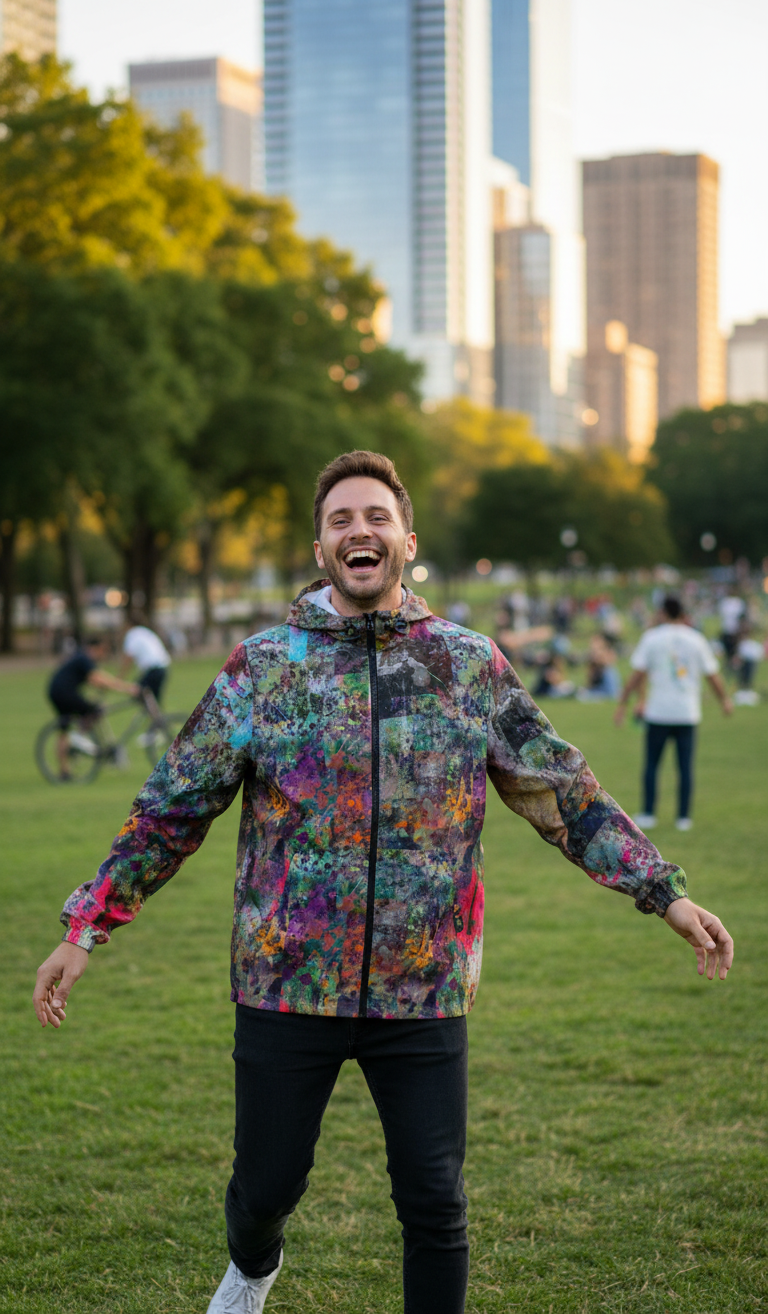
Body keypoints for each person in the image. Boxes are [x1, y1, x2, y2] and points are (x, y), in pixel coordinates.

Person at [34, 453, 733, 1314]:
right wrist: (85, 927)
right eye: (339, 520)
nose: (358, 531)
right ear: (321, 547)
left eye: (375, 517)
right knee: (265, 1190)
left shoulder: (468, 665)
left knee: (435, 1202)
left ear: (407, 540)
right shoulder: (263, 668)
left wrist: (665, 892)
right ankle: (253, 1269)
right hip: (286, 980)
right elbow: (171, 808)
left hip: (425, 984)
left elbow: (564, 792)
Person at [615, 596, 732, 831]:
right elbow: (712, 675)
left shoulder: (652, 637)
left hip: (658, 711)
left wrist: (624, 702)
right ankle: (683, 817)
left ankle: (648, 812)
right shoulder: (696, 639)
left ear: (662, 612)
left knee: (651, 764)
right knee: (685, 766)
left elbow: (637, 673)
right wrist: (724, 700)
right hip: (687, 712)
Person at [47, 637, 140, 781]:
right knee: (94, 711)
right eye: (103, 651)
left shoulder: (80, 657)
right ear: (96, 648)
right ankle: (79, 739)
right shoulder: (84, 658)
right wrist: (126, 688)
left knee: (64, 728)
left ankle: (64, 771)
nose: (103, 655)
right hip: (63, 693)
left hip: (57, 692)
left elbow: (93, 681)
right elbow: (98, 679)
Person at [120, 612, 171, 705]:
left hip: (153, 669)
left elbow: (129, 657)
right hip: (163, 668)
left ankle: (157, 718)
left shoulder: (132, 634)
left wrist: (121, 676)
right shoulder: (146, 632)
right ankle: (157, 718)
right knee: (152, 700)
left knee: (138, 692)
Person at [718, 593, 746, 665]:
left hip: (735, 631)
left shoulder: (738, 602)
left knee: (735, 649)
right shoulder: (726, 602)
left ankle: (734, 663)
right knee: (728, 649)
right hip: (728, 630)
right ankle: (730, 663)